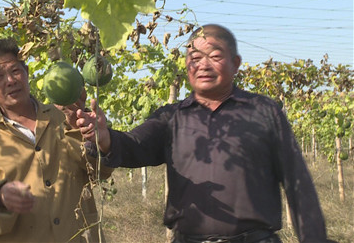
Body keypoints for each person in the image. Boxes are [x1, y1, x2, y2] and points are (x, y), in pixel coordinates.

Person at [76, 24, 334, 243]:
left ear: (235, 64)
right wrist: (105, 137)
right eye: (195, 58)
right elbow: (134, 145)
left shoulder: (264, 112)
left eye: (214, 56)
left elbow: (297, 182)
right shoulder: (172, 117)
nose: (203, 65)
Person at [0, 38, 113, 243]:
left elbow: (99, 172)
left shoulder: (66, 117)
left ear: (26, 72)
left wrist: (99, 140)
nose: (10, 80)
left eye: (15, 71)